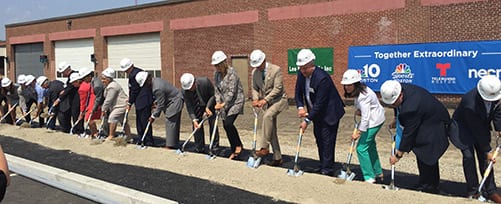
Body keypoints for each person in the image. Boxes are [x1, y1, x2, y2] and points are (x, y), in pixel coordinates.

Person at [381, 80, 450, 194]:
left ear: (400, 95)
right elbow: (396, 106)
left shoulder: (411, 107)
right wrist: (396, 117)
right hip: (424, 117)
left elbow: (409, 133)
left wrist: (398, 154)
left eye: (394, 102)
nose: (392, 105)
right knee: (420, 151)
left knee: (428, 151)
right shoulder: (399, 88)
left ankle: (431, 186)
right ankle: (424, 182)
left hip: (435, 122)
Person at [295, 49, 345, 176]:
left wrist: (307, 120)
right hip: (316, 113)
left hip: (330, 113)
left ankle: (327, 169)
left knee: (327, 140)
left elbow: (320, 104)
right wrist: (300, 107)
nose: (302, 71)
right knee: (319, 139)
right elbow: (298, 93)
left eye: (305, 68)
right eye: (301, 68)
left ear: (312, 65)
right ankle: (323, 164)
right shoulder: (301, 74)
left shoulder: (322, 78)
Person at [450, 75, 501, 202]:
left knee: (485, 159)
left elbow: (498, 112)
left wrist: (499, 129)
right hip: (462, 129)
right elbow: (477, 130)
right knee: (469, 156)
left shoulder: (496, 96)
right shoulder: (470, 103)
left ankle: (490, 191)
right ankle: (473, 191)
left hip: (480, 126)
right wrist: (488, 150)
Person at [341, 69, 385, 183]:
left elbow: (366, 117)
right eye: (345, 85)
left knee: (361, 148)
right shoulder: (360, 92)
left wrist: (358, 132)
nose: (347, 87)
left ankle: (369, 177)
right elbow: (367, 109)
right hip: (375, 118)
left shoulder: (363, 95)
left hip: (373, 121)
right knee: (370, 146)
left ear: (355, 83)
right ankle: (377, 172)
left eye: (349, 85)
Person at [249, 49, 288, 166]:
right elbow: (255, 87)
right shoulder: (254, 73)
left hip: (279, 100)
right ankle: (277, 157)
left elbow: (278, 89)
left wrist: (264, 100)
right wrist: (255, 99)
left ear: (264, 60)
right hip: (267, 102)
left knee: (267, 116)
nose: (258, 67)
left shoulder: (276, 70)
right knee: (270, 129)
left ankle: (264, 147)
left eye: (259, 65)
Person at [136, 71, 184, 149]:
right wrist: (156, 103)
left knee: (170, 121)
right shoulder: (155, 80)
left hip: (175, 101)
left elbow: (160, 104)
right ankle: (174, 143)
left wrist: (153, 116)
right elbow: (160, 99)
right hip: (173, 100)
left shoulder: (157, 88)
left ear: (147, 80)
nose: (145, 86)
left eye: (144, 84)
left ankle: (169, 145)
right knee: (174, 123)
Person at [212, 51, 245, 160]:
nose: (216, 67)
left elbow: (232, 91)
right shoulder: (216, 74)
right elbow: (217, 90)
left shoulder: (232, 73)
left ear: (223, 63)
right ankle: (233, 148)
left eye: (217, 65)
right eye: (215, 65)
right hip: (222, 104)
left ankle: (238, 145)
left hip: (236, 101)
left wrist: (223, 104)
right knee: (226, 126)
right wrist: (217, 102)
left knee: (228, 123)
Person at [180, 73, 219, 153]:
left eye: (191, 87)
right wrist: (194, 119)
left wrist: (208, 107)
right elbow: (189, 106)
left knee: (213, 124)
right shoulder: (184, 91)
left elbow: (213, 95)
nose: (190, 90)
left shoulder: (205, 82)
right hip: (196, 106)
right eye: (188, 89)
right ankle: (199, 147)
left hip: (209, 103)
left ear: (194, 82)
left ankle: (214, 147)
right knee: (197, 126)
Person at [121, 58, 153, 146]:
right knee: (141, 121)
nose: (125, 72)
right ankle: (142, 139)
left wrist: (130, 102)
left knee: (143, 121)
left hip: (143, 100)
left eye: (126, 70)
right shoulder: (138, 71)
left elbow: (134, 90)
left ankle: (146, 140)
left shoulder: (134, 75)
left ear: (130, 66)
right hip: (143, 99)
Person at [100, 67, 131, 141]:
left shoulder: (112, 86)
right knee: (123, 120)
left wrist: (103, 109)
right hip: (118, 105)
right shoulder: (110, 85)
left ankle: (111, 135)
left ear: (108, 79)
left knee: (112, 118)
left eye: (104, 79)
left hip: (121, 105)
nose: (102, 80)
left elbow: (109, 100)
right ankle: (128, 136)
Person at [53, 62, 81, 134]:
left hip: (76, 98)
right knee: (73, 114)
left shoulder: (74, 75)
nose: (62, 74)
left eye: (63, 72)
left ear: (67, 69)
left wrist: (59, 99)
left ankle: (78, 130)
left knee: (76, 114)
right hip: (72, 98)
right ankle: (75, 129)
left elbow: (69, 88)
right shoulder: (70, 76)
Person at [78, 67, 103, 138]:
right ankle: (94, 133)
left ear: (89, 76)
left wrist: (94, 108)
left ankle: (95, 133)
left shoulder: (97, 85)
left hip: (100, 102)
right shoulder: (92, 82)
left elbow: (99, 98)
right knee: (88, 118)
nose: (83, 81)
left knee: (89, 117)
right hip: (95, 101)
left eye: (84, 78)